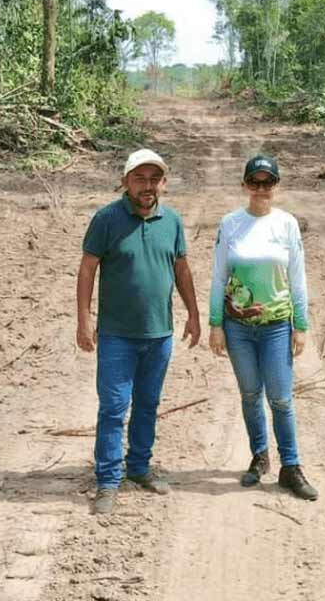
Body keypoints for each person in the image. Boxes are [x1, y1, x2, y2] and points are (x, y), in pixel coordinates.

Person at [76, 148, 202, 515]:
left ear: (164, 183)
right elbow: (87, 269)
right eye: (139, 179)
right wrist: (84, 319)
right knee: (114, 407)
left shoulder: (172, 221)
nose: (147, 186)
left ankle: (139, 467)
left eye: (154, 179)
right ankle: (108, 480)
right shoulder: (106, 219)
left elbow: (181, 269)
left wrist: (193, 314)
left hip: (159, 334)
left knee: (148, 404)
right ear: (125, 182)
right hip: (117, 335)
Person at [207, 154, 318, 501]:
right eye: (254, 182)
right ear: (244, 185)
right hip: (238, 327)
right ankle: (259, 456)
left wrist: (301, 324)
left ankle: (291, 466)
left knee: (281, 398)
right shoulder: (230, 224)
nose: (260, 188)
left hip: (276, 326)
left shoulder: (287, 224)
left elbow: (297, 278)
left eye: (267, 182)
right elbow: (218, 276)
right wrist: (215, 323)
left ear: (276, 186)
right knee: (251, 394)